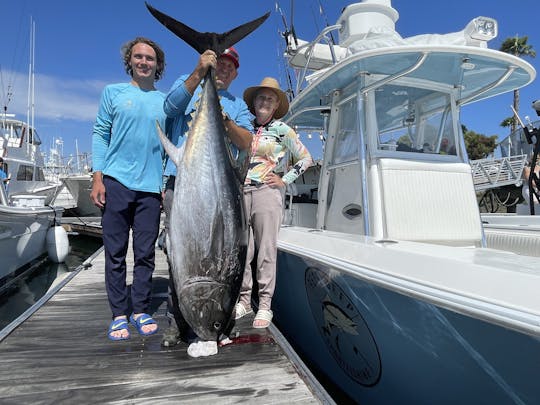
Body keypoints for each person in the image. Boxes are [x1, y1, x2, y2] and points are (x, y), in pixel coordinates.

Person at [160, 46, 253, 351]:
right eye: (220, 64)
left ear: (236, 72)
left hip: (220, 192)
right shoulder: (185, 83)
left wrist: (226, 122)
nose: (223, 69)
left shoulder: (238, 106)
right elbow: (170, 108)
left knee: (180, 253)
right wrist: (200, 72)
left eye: (229, 67)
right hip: (184, 181)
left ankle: (191, 321)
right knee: (177, 257)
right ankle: (177, 321)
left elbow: (246, 142)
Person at [90, 37, 169, 341]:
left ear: (157, 64)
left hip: (150, 188)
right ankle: (119, 314)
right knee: (115, 253)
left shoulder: (165, 102)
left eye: (150, 58)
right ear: (130, 61)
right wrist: (98, 178)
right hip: (116, 181)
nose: (144, 62)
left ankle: (140, 309)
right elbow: (100, 134)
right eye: (138, 57)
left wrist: (163, 183)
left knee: (146, 253)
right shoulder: (113, 93)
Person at [235, 77, 313, 328]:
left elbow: (306, 158)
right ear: (254, 102)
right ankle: (245, 300)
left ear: (276, 103)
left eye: (270, 98)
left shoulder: (282, 129)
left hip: (266, 193)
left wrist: (284, 179)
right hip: (240, 192)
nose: (264, 101)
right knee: (243, 250)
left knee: (266, 250)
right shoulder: (245, 127)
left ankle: (265, 304)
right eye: (261, 97)